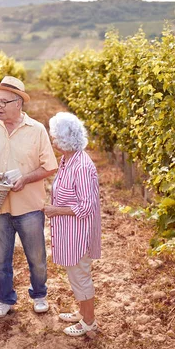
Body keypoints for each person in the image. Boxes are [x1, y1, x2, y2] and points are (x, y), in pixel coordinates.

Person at [0, 76, 58, 318]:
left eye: (3, 101)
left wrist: (25, 179)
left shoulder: (36, 130)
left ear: (19, 103)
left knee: (37, 258)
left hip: (29, 205)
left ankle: (40, 295)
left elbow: (49, 167)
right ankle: (5, 299)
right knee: (0, 260)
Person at [43, 112, 101, 337]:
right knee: (76, 276)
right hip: (69, 233)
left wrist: (55, 210)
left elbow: (87, 208)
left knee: (81, 276)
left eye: (56, 137)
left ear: (66, 139)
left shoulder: (82, 166)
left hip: (79, 235)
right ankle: (81, 311)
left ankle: (89, 322)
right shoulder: (67, 160)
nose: (53, 141)